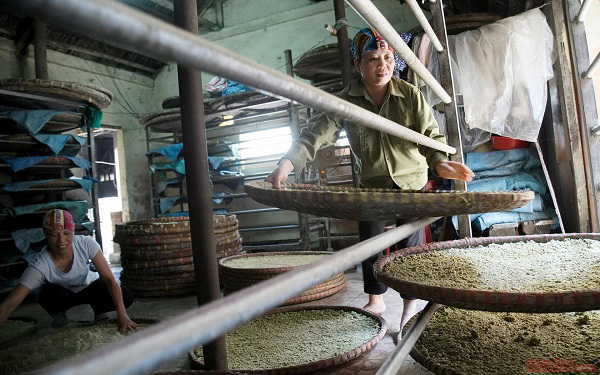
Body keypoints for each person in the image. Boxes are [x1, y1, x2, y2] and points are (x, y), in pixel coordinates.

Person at [266, 28, 474, 331]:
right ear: (358, 64)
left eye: (388, 58)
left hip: (410, 183)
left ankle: (409, 306)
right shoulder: (346, 102)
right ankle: (376, 300)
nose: (383, 65)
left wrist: (442, 165)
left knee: (409, 245)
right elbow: (315, 134)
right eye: (373, 58)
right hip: (373, 185)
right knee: (371, 242)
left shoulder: (410, 95)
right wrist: (287, 162)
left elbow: (431, 138)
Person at [0, 209, 137, 332]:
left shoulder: (86, 243)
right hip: (64, 295)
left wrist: (122, 313)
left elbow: (109, 278)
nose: (61, 240)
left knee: (125, 296)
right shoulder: (40, 264)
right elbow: (9, 304)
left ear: (73, 231)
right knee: (46, 295)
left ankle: (99, 310)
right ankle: (60, 317)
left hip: (89, 288)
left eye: (66, 233)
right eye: (54, 235)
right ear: (45, 235)